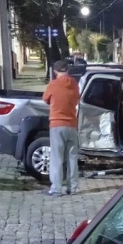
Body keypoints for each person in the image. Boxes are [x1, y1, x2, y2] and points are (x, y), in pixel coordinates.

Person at [42, 58, 81, 196]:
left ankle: (56, 188)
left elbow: (45, 99)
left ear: (55, 71)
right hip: (72, 124)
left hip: (57, 123)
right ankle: (72, 187)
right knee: (72, 157)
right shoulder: (74, 84)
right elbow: (77, 99)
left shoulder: (54, 84)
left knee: (57, 157)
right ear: (68, 70)